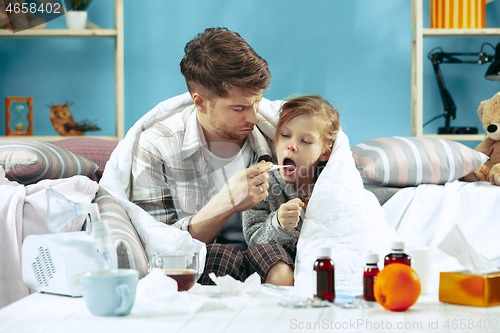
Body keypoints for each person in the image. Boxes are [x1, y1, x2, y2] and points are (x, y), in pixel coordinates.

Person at [130, 27, 295, 285]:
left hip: (275, 260)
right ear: (200, 102)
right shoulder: (157, 147)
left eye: (257, 102)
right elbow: (159, 251)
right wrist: (227, 202)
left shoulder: (282, 138)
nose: (253, 117)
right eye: (239, 108)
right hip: (208, 265)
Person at [242, 94, 340, 283]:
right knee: (278, 267)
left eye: (305, 141)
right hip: (275, 261)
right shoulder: (262, 183)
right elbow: (253, 241)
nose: (291, 146)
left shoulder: (333, 185)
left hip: (321, 260)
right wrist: (277, 224)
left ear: (325, 152)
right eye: (285, 136)